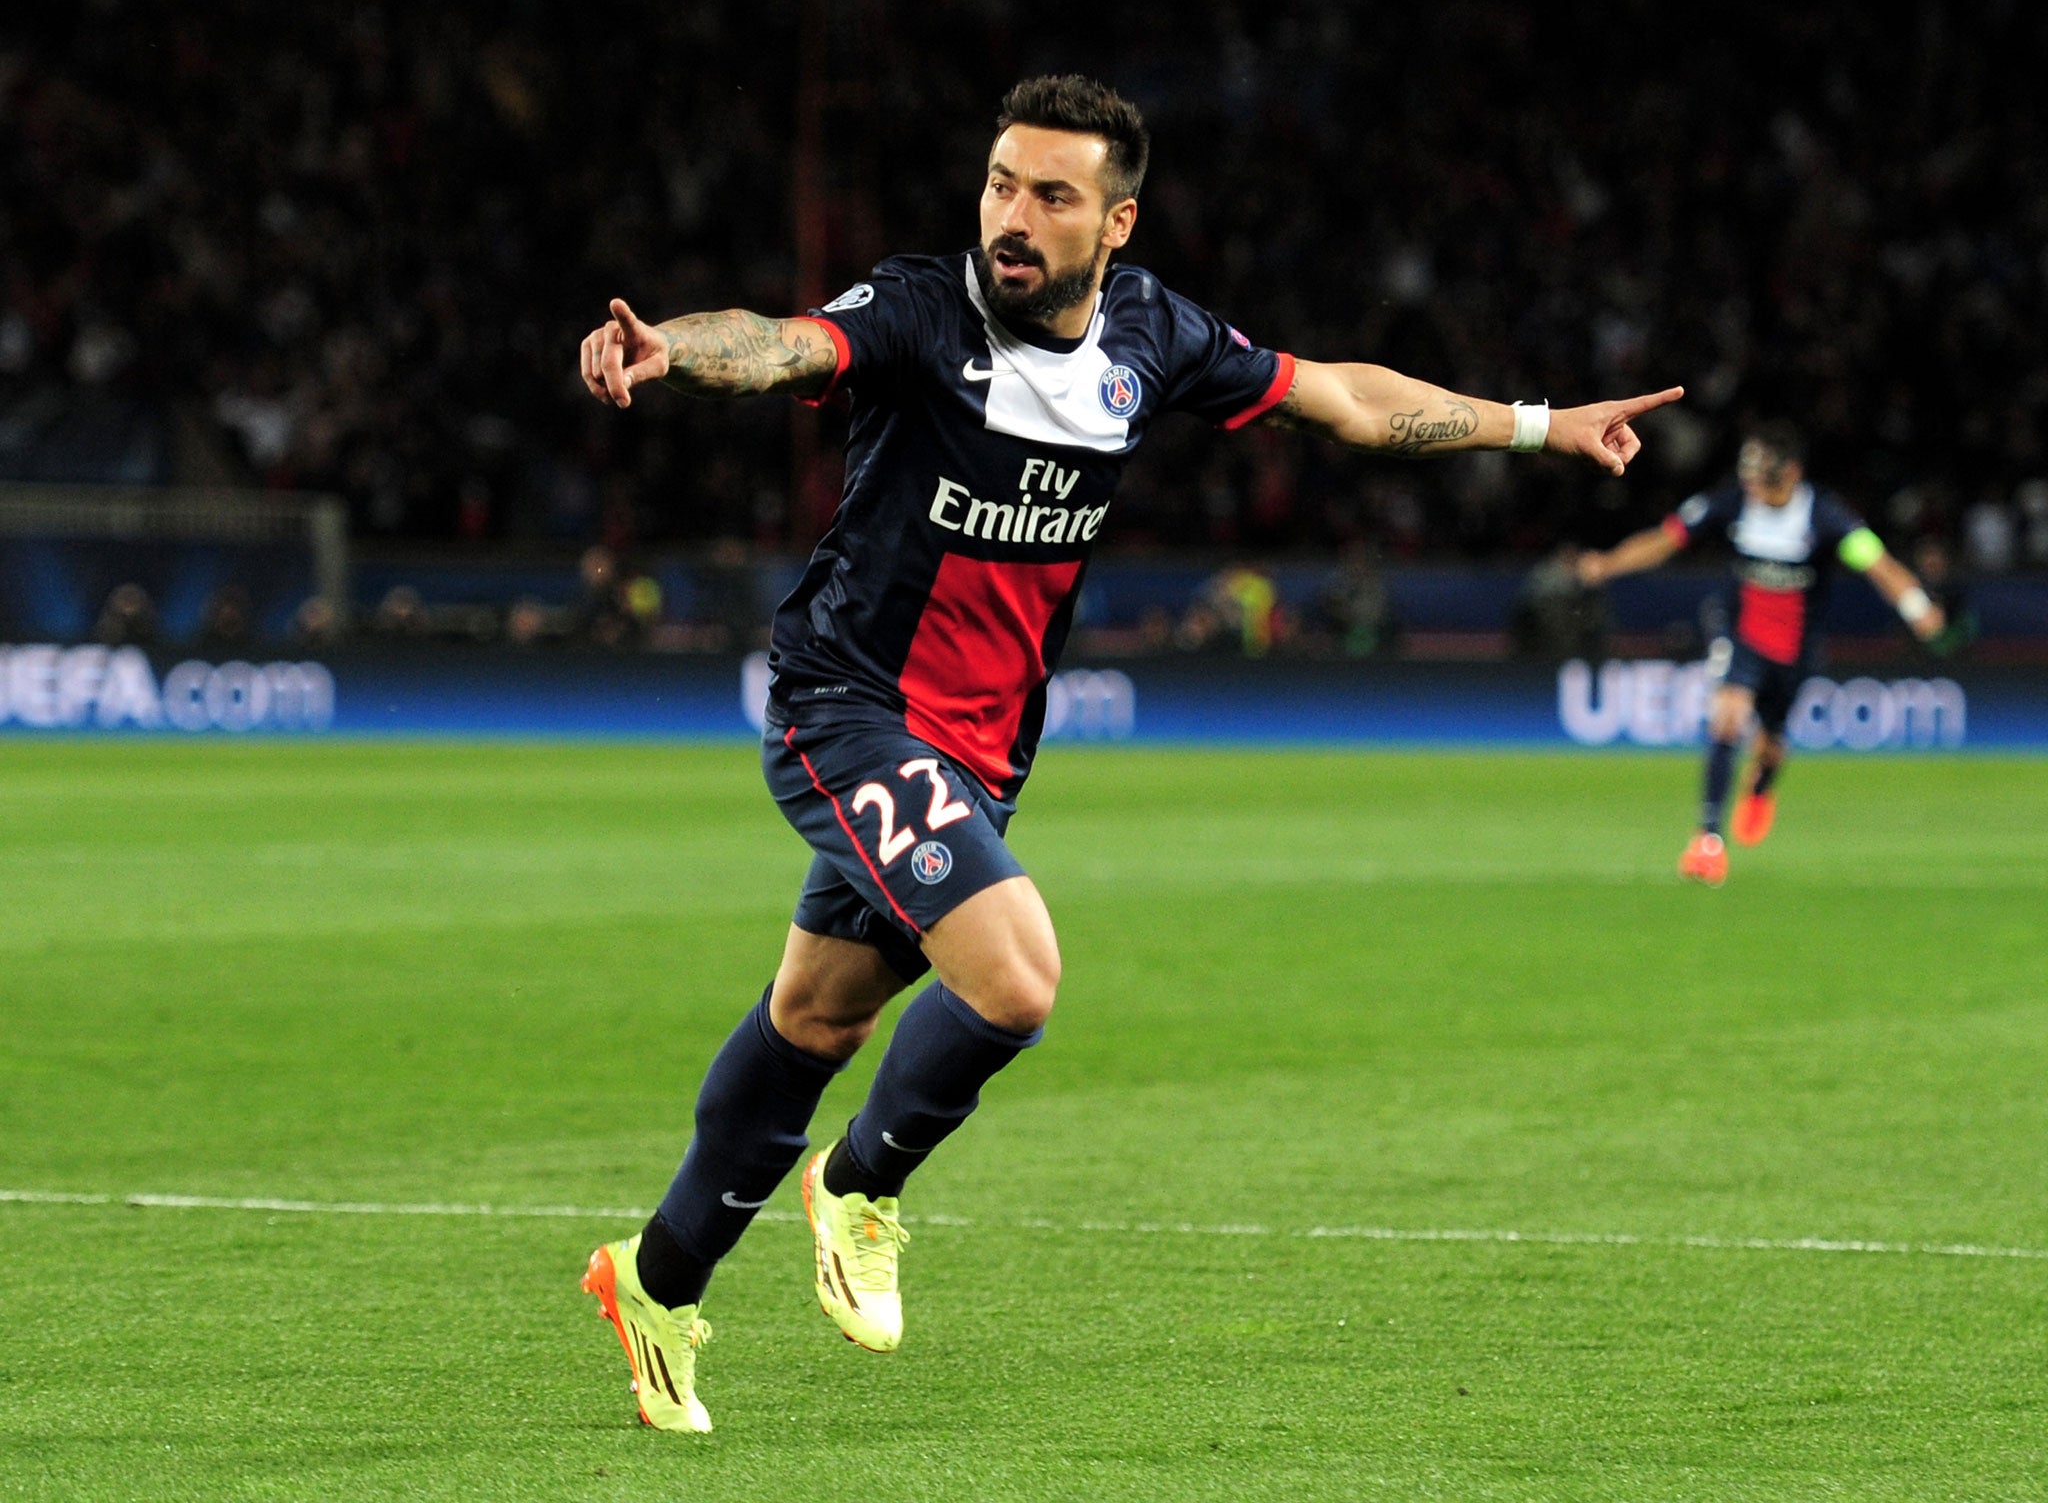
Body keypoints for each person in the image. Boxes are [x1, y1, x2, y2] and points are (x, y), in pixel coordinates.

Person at [573, 74, 1682, 1433]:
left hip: (981, 750)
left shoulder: (1152, 339)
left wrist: (1540, 425)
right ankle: (860, 1185)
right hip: (848, 708)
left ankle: (657, 1284)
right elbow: (783, 342)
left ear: (1118, 222)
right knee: (1017, 975)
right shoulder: (922, 313)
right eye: (1000, 184)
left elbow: (1339, 397)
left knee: (819, 1015)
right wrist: (670, 352)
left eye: (1051, 196)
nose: (1013, 219)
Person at [1575, 421, 1945, 886]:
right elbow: (1666, 539)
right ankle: (1707, 840)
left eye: (1763, 474)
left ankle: (1761, 785)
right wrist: (1608, 565)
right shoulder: (1732, 502)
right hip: (1741, 634)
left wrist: (1917, 607)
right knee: (1727, 716)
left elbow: (1877, 563)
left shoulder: (1826, 516)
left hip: (1795, 648)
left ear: (1791, 473)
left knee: (1770, 746)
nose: (1753, 483)